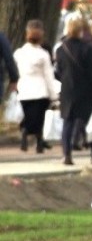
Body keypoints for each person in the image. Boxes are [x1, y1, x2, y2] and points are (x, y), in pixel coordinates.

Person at [55, 18, 92, 165]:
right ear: (81, 31)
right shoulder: (87, 49)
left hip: (67, 90)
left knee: (68, 122)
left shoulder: (61, 49)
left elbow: (58, 71)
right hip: (85, 90)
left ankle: (67, 154)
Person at [13, 20, 55, 153]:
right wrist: (53, 95)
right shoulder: (43, 55)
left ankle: (25, 133)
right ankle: (39, 142)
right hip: (40, 90)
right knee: (39, 119)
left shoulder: (19, 53)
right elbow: (49, 76)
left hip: (24, 89)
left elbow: (15, 71)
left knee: (28, 116)